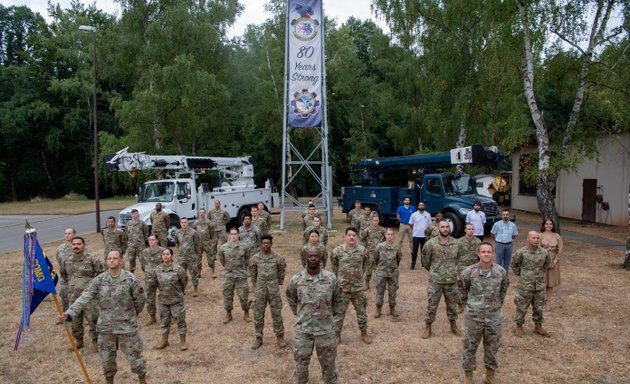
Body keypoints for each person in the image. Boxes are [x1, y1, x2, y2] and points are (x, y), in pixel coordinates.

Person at [59, 250, 147, 384]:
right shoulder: (99, 280)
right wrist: (69, 312)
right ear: (106, 261)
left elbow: (140, 300)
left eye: (115, 258)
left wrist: (130, 314)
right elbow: (84, 297)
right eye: (109, 258)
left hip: (127, 327)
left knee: (135, 358)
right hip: (106, 328)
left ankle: (142, 380)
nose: (112, 260)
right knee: (107, 360)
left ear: (121, 261)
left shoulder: (131, 279)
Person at [286, 246, 342, 384]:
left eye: (316, 256)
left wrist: (327, 316)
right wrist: (301, 314)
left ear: (321, 258)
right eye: (310, 256)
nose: (313, 258)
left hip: (325, 331)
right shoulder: (296, 279)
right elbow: (291, 298)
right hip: (303, 331)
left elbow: (338, 300)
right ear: (306, 258)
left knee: (329, 370)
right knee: (301, 370)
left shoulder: (331, 279)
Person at [460, 242, 509, 384]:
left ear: (493, 254)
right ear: (478, 254)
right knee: (469, 346)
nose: (486, 254)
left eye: (489, 252)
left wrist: (495, 306)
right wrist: (469, 306)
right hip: (473, 317)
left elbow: (503, 290)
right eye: (483, 252)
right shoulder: (468, 272)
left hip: (493, 317)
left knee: (492, 347)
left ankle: (490, 376)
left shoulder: (501, 272)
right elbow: (462, 290)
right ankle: (468, 377)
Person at [59, 236, 104, 351]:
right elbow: (64, 275)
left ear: (84, 245)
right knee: (75, 320)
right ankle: (78, 341)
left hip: (89, 297)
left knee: (93, 318)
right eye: (74, 244)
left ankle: (95, 340)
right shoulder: (66, 260)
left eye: (79, 244)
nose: (76, 246)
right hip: (73, 296)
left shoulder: (92, 259)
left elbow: (101, 275)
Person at [420, 220, 462, 339]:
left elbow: (458, 259)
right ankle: (428, 327)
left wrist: (451, 271)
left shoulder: (456, 243)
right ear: (438, 228)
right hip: (436, 281)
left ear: (449, 228)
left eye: (447, 227)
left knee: (452, 305)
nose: (445, 229)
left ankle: (453, 325)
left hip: (451, 281)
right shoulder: (430, 244)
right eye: (442, 227)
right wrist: (435, 271)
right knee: (432, 304)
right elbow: (426, 262)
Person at [331, 227, 372, 345]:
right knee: (339, 314)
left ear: (357, 237)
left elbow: (367, 264)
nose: (351, 237)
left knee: (362, 313)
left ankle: (364, 333)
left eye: (354, 235)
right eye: (349, 235)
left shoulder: (362, 251)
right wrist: (341, 277)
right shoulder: (337, 251)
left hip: (358, 288)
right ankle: (337, 334)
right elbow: (334, 266)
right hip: (342, 288)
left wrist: (359, 275)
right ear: (345, 237)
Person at [249, 235, 287, 349]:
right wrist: (257, 286)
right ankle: (258, 337)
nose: (266, 245)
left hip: (273, 290)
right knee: (258, 314)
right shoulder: (255, 259)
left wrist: (278, 282)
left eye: (268, 243)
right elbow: (253, 274)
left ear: (271, 244)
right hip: (260, 291)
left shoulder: (278, 258)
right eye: (264, 243)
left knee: (277, 314)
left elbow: (281, 271)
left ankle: (280, 336)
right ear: (261, 244)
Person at [512, 231, 552, 337]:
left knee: (538, 307)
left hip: (539, 285)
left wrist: (539, 274)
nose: (536, 240)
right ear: (528, 239)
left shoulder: (544, 252)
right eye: (533, 238)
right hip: (525, 285)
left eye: (538, 238)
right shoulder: (521, 252)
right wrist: (522, 275)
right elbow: (514, 264)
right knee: (522, 306)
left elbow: (547, 264)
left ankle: (538, 326)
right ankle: (519, 326)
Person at [153, 248, 188, 351]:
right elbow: (157, 283)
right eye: (164, 254)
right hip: (163, 301)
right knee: (164, 322)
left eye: (168, 254)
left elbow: (184, 282)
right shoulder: (157, 269)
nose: (165, 256)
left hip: (176, 300)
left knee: (180, 321)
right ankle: (164, 341)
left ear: (172, 256)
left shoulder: (178, 269)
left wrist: (178, 293)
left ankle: (182, 342)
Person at [219, 228, 251, 324]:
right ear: (229, 235)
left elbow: (247, 259)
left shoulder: (244, 246)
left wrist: (241, 269)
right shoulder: (223, 247)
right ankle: (228, 314)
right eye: (232, 234)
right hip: (228, 275)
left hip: (240, 275)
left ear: (238, 235)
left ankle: (246, 312)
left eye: (235, 234)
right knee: (227, 295)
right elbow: (222, 261)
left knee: (243, 295)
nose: (233, 236)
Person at [373, 228, 402, 319]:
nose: (389, 236)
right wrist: (380, 268)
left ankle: (392, 309)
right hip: (381, 272)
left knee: (392, 291)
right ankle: (378, 309)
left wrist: (393, 267)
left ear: (393, 236)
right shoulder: (379, 246)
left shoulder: (397, 247)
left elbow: (398, 259)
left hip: (393, 273)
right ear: (385, 235)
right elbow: (375, 258)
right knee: (380, 291)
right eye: (388, 234)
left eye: (391, 234)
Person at [140, 235, 165, 325]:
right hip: (149, 278)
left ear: (157, 241)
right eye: (150, 240)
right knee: (149, 298)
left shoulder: (162, 251)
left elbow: (166, 262)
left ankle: (166, 317)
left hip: (161, 277)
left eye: (153, 240)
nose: (151, 241)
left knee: (164, 297)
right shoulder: (144, 252)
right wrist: (148, 271)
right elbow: (143, 264)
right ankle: (152, 317)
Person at [174, 217, 202, 297]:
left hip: (191, 257)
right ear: (180, 223)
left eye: (185, 222)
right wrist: (179, 250)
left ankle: (195, 287)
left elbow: (197, 244)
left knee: (193, 273)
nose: (183, 224)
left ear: (188, 223)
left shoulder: (193, 232)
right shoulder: (177, 232)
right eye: (182, 222)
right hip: (181, 257)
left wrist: (196, 255)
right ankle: (182, 289)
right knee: (181, 274)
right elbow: (176, 242)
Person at [457, 224, 482, 312]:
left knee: (474, 286)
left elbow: (480, 256)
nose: (470, 230)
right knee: (461, 287)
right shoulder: (459, 242)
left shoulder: (478, 242)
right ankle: (461, 305)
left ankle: (473, 305)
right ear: (465, 230)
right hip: (462, 267)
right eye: (468, 229)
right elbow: (455, 256)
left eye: (472, 229)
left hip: (474, 267)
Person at [540, 219, 563, 311]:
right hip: (542, 261)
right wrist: (544, 262)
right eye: (547, 224)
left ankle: (548, 302)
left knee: (551, 283)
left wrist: (554, 261)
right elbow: (537, 249)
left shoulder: (557, 236)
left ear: (553, 226)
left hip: (554, 260)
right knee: (542, 282)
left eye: (550, 224)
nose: (548, 225)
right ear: (544, 225)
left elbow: (560, 250)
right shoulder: (540, 235)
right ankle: (540, 302)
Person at [360, 214, 386, 290]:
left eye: (377, 220)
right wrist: (365, 247)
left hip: (380, 253)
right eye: (374, 220)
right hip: (370, 253)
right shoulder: (367, 230)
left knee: (381, 269)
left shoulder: (382, 229)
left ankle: (381, 284)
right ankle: (367, 284)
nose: (376, 222)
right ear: (372, 221)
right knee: (369, 269)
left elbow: (387, 239)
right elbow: (362, 238)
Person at [192, 208, 217, 278]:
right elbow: (193, 232)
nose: (201, 214)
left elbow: (212, 231)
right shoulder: (196, 223)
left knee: (210, 257)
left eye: (203, 212)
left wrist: (209, 239)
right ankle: (199, 271)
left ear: (205, 213)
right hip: (199, 243)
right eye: (200, 213)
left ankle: (213, 271)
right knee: (198, 258)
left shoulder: (208, 222)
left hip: (207, 242)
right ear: (199, 214)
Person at [490, 209, 518, 273]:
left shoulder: (513, 225)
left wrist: (509, 240)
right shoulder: (497, 224)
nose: (505, 216)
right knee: (498, 262)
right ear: (501, 215)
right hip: (499, 244)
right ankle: (498, 276)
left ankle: (505, 277)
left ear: (509, 216)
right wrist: (497, 241)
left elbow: (514, 235)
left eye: (507, 214)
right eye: (504, 214)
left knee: (507, 262)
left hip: (509, 245)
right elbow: (493, 234)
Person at [56, 227, 76, 311]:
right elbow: (59, 260)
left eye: (69, 233)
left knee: (76, 296)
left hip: (76, 277)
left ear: (74, 235)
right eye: (65, 234)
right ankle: (66, 315)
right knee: (64, 296)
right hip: (64, 277)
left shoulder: (78, 246)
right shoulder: (60, 248)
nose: (67, 235)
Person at [409, 201, 431, 269]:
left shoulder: (428, 215)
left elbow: (429, 225)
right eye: (420, 205)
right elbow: (411, 224)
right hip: (416, 235)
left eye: (422, 205)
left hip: (424, 236)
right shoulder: (414, 214)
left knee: (424, 251)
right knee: (414, 251)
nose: (421, 206)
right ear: (418, 206)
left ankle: (423, 264)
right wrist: (415, 230)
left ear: (424, 206)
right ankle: (413, 264)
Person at [126, 209, 149, 273]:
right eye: (133, 214)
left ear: (138, 214)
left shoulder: (142, 223)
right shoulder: (128, 223)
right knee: (131, 260)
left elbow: (146, 232)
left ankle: (146, 273)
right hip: (131, 245)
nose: (134, 215)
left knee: (143, 260)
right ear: (131, 215)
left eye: (135, 214)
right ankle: (131, 273)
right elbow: (127, 232)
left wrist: (143, 242)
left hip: (140, 246)